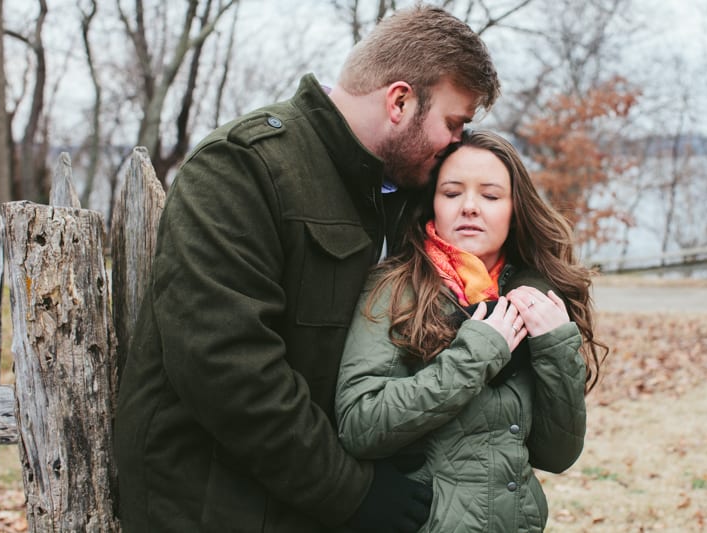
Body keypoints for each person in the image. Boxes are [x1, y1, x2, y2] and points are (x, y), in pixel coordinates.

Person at [112, 4, 500, 533]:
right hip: (217, 509)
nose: (457, 143)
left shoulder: (399, 190)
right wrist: (352, 491)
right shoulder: (243, 167)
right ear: (400, 100)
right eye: (453, 123)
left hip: (309, 506)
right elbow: (226, 367)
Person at [336, 130, 608, 532]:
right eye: (451, 193)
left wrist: (555, 346)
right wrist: (478, 352)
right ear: (432, 204)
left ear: (516, 208)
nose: (469, 207)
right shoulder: (393, 290)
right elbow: (360, 424)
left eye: (491, 196)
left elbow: (557, 454)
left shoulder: (531, 297)